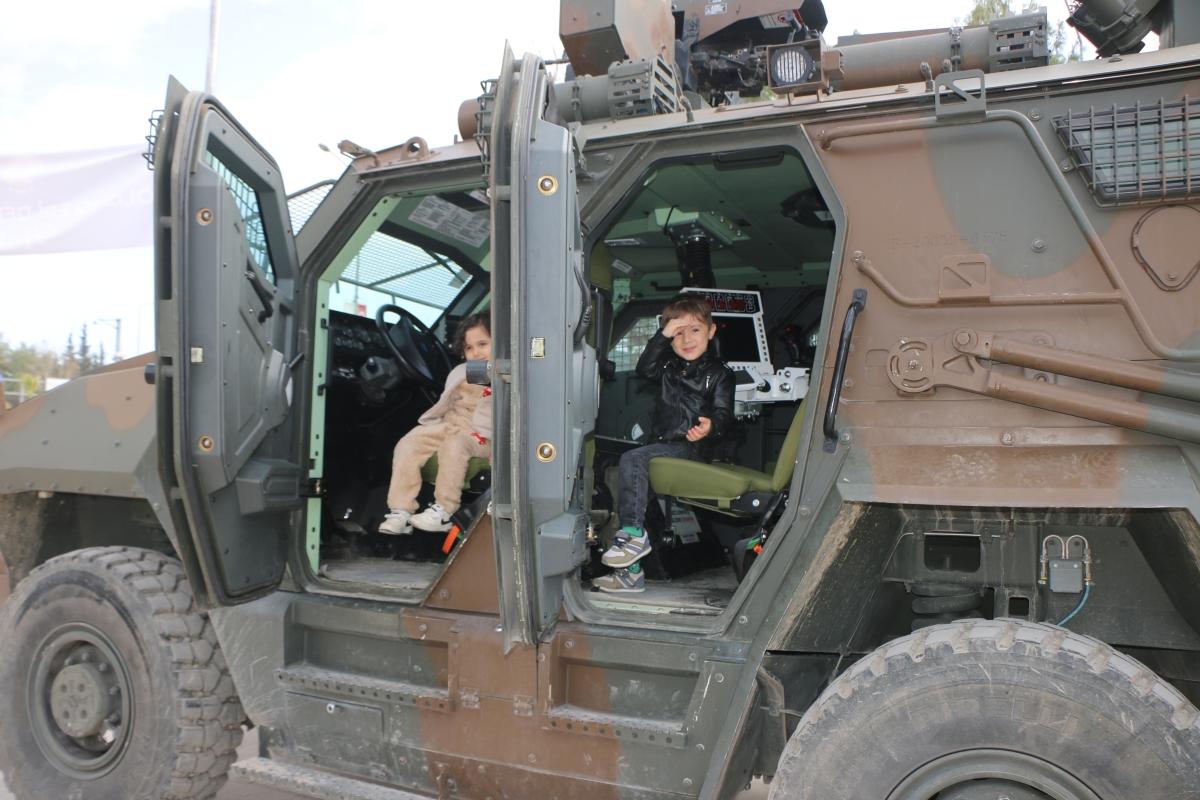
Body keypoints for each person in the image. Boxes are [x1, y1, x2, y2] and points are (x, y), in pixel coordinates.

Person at [593, 295, 734, 593]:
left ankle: (633, 537)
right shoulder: (669, 367)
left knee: (633, 459)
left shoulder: (720, 373)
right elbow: (645, 368)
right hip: (663, 445)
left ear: (711, 331)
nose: (686, 339)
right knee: (633, 494)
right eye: (677, 333)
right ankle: (631, 573)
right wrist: (663, 334)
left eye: (694, 330)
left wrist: (710, 427)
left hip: (693, 449)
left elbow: (724, 414)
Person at [379, 312, 492, 534]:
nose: (476, 353)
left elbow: (493, 373)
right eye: (468, 348)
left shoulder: (507, 372)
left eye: (482, 344)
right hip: (450, 424)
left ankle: (443, 511)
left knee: (454, 446)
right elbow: (451, 392)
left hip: (481, 436)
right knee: (409, 442)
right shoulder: (463, 371)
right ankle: (401, 510)